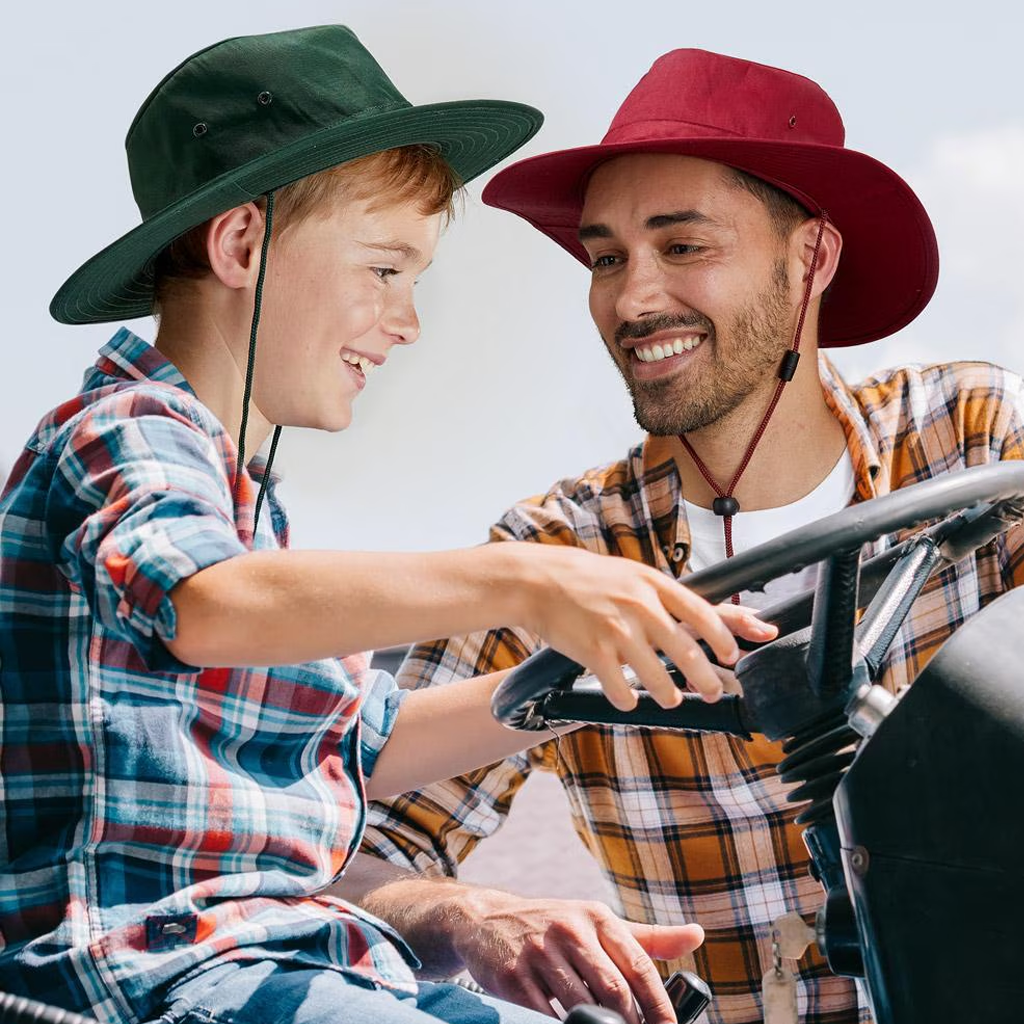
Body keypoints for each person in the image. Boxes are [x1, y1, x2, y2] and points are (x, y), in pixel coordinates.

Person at [0, 28, 774, 1024]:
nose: (406, 321)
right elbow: (204, 605)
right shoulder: (123, 432)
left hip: (288, 965)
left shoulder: (236, 505)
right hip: (152, 971)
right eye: (384, 270)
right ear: (241, 247)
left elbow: (365, 743)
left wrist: (604, 682)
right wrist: (527, 579)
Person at [348, 48, 1024, 1024]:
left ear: (811, 259)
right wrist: (470, 916)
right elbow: (344, 848)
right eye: (607, 257)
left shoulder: (973, 439)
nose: (632, 299)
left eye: (683, 246)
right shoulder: (554, 555)